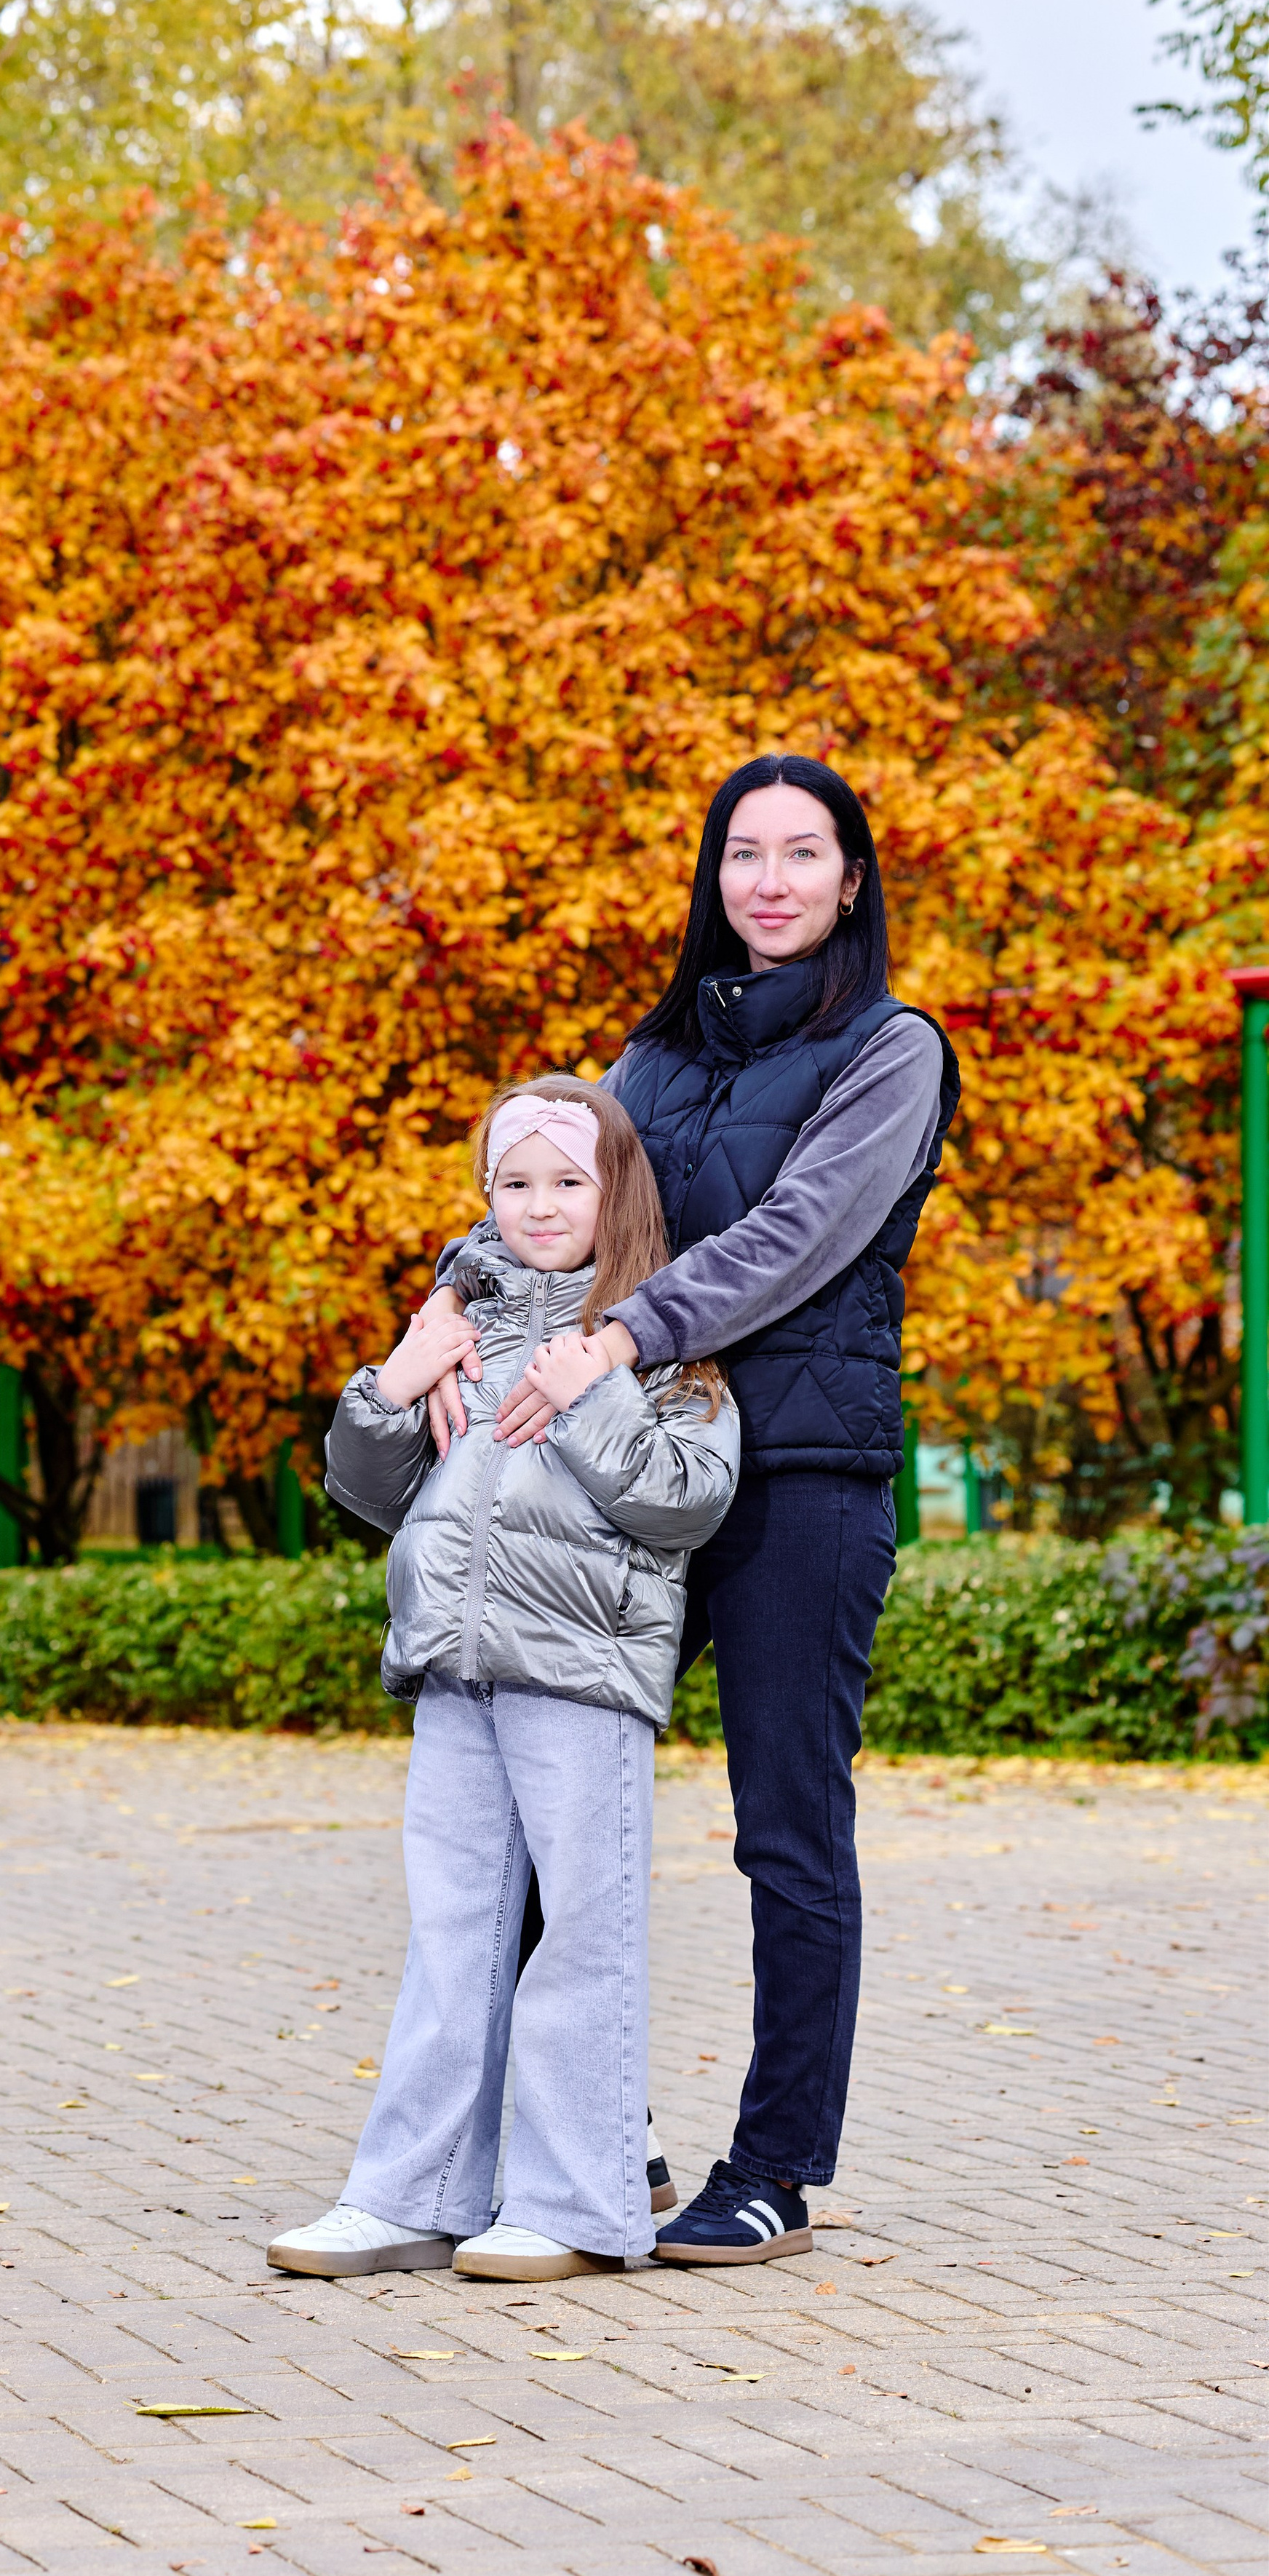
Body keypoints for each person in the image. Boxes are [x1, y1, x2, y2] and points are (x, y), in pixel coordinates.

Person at [422, 756, 960, 2266]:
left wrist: (620, 1331)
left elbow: (799, 1237)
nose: (770, 881)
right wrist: (442, 1308)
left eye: (803, 854)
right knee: (549, 1818)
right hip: (630, 1478)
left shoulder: (889, 1050)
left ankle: (773, 2168)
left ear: (851, 879)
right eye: (744, 854)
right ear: (711, 877)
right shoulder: (648, 1063)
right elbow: (539, 1191)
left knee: (784, 1835)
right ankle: (594, 2142)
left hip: (795, 1477)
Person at [266, 1077, 739, 2285]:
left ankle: (581, 2206)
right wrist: (395, 1378)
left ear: (613, 1190)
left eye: (567, 1180)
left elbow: (685, 1502)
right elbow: (373, 1493)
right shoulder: (458, 1324)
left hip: (581, 1673)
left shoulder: (656, 1331)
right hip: (452, 1667)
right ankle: (410, 2195)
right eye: (513, 1182)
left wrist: (593, 1398)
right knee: (451, 1939)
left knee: (583, 1936)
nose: (538, 1205)